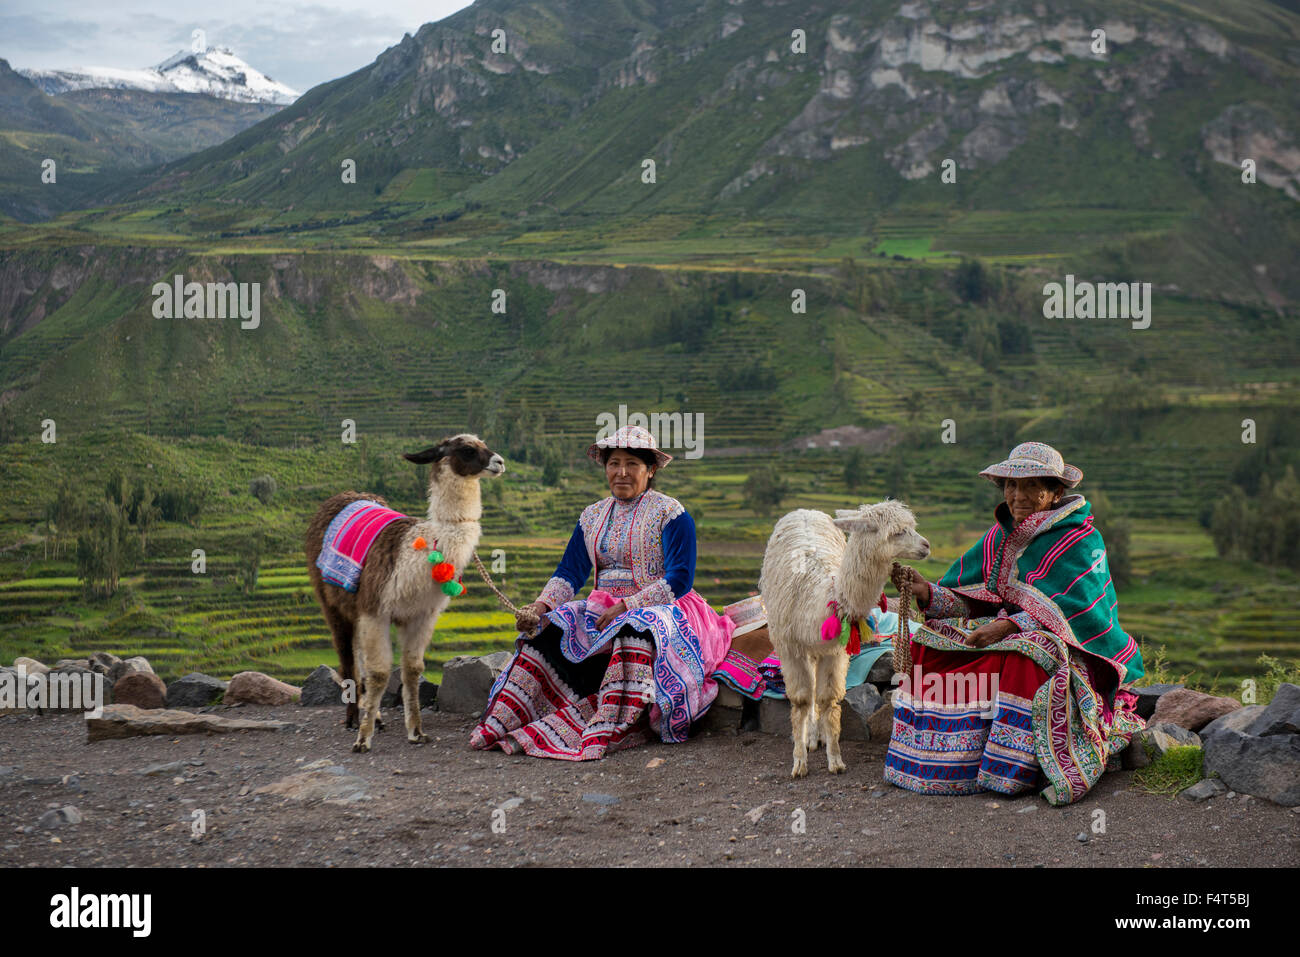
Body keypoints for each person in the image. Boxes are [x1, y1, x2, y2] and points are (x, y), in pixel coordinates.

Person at [885, 442, 1145, 805]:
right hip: (1009, 634)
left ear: (1055, 492)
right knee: (929, 642)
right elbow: (972, 598)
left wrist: (1008, 627)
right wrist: (926, 591)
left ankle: (1011, 772)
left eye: (1030, 485)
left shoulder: (1081, 540)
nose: (1017, 496)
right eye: (1010, 485)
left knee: (1025, 654)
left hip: (1076, 651)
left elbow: (1080, 613)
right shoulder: (1001, 537)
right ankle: (938, 763)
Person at [470, 425, 734, 760]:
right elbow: (570, 573)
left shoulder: (671, 514)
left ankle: (610, 722)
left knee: (635, 628)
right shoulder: (591, 516)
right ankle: (507, 719)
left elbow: (679, 579)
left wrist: (628, 606)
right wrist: (539, 606)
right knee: (551, 626)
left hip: (665, 607)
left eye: (632, 464)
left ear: (650, 470)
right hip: (603, 607)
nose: (621, 472)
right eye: (614, 463)